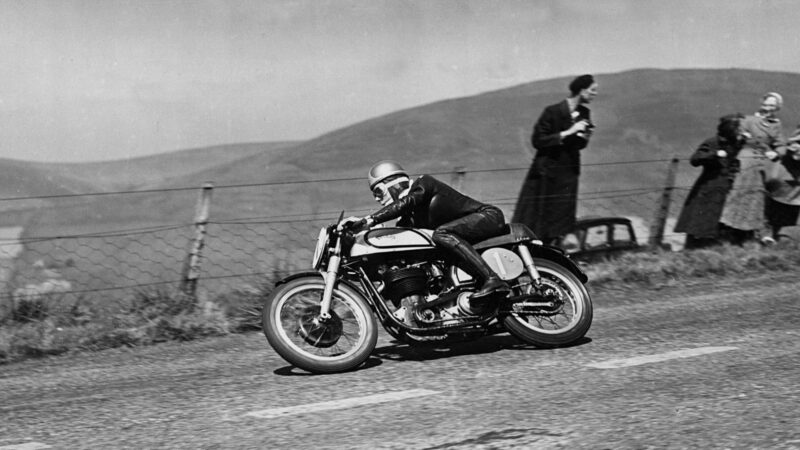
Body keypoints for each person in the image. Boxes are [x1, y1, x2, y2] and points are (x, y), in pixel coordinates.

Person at [344, 160, 510, 305]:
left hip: (487, 216)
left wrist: (369, 220)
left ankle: (492, 279)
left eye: (378, 192)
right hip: (459, 235)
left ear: (393, 183)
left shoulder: (423, 184)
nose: (377, 199)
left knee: (440, 233)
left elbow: (408, 202)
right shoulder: (406, 220)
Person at [512, 74, 598, 245]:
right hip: (547, 173)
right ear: (581, 90)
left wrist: (585, 137)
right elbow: (538, 140)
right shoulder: (552, 112)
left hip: (567, 173)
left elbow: (578, 145)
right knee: (539, 216)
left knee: (561, 218)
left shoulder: (584, 113)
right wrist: (568, 132)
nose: (594, 94)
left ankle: (553, 251)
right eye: (592, 90)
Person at [719, 92, 787, 245]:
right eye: (765, 104)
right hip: (746, 161)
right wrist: (742, 136)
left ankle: (750, 234)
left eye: (772, 106)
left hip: (763, 165)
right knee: (740, 193)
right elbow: (738, 136)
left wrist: (775, 153)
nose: (768, 108)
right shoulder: (748, 120)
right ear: (761, 104)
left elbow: (781, 144)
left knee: (757, 197)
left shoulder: (776, 124)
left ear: (777, 108)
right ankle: (731, 232)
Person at [674, 114, 744, 248]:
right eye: (738, 128)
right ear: (730, 128)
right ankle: (692, 250)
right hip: (708, 187)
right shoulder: (713, 142)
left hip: (724, 187)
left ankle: (707, 250)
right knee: (699, 222)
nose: (741, 131)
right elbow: (695, 160)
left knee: (713, 222)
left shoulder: (734, 143)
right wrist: (715, 154)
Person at [764, 125, 800, 239]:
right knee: (779, 202)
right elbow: (789, 148)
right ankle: (771, 233)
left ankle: (783, 233)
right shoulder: (796, 140)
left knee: (792, 203)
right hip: (787, 176)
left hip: (795, 182)